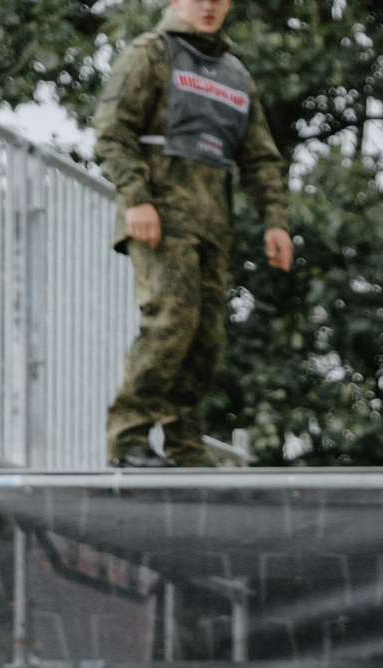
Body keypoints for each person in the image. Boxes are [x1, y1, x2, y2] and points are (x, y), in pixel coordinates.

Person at [93, 0, 292, 468]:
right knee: (170, 320)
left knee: (204, 337)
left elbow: (260, 157)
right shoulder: (151, 53)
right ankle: (128, 440)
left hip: (212, 225)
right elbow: (112, 130)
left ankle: (185, 447)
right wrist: (136, 197)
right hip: (161, 217)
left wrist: (276, 220)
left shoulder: (234, 74)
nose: (208, 6)